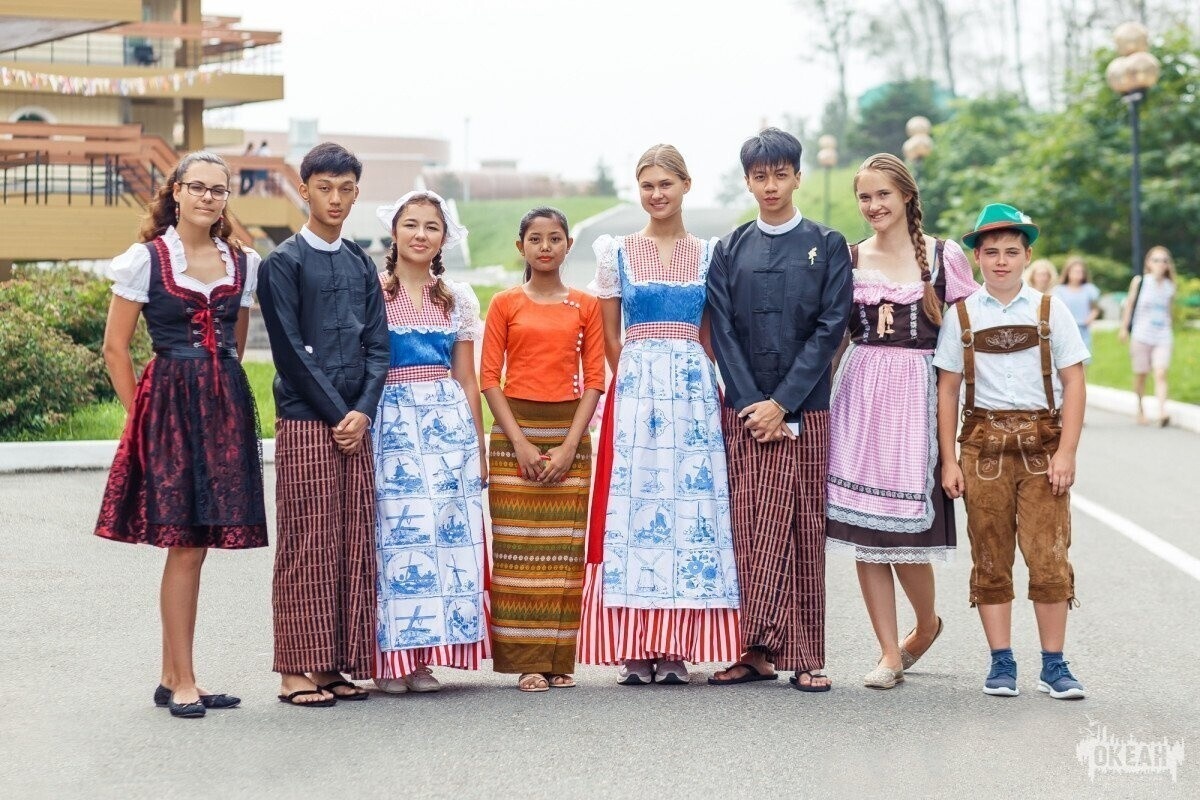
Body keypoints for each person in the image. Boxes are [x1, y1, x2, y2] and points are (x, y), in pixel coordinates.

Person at [95, 151, 267, 718]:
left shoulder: (243, 263)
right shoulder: (145, 260)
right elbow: (115, 349)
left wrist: (219, 401)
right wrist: (140, 415)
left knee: (195, 542)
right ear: (175, 191)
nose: (207, 197)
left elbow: (234, 346)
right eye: (197, 187)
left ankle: (173, 675)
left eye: (218, 190)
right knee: (186, 544)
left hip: (221, 410)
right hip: (168, 406)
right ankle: (185, 680)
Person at [578, 145, 740, 686]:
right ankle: (634, 645)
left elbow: (711, 337)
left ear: (686, 185)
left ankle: (676, 645)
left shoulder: (709, 253)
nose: (656, 194)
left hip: (692, 391)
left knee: (690, 508)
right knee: (636, 509)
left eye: (665, 184)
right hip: (639, 391)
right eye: (646, 184)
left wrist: (700, 386)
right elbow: (610, 338)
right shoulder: (617, 251)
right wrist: (639, 390)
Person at [705, 128, 853, 691]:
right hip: (744, 415)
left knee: (801, 527)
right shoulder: (729, 249)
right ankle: (752, 651)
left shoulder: (827, 243)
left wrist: (784, 403)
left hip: (806, 411)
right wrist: (752, 406)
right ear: (747, 181)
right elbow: (722, 331)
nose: (771, 186)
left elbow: (830, 328)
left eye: (780, 174)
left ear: (798, 176)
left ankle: (807, 654)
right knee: (746, 528)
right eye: (759, 176)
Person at [825, 154, 978, 689]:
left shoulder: (942, 257)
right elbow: (834, 338)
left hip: (917, 399)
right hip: (861, 399)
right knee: (867, 534)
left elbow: (970, 337)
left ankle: (927, 623)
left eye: (883, 195)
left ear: (907, 195)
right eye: (865, 197)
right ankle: (889, 652)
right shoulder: (847, 257)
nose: (873, 207)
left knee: (907, 537)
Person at [935, 203, 1089, 700]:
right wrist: (949, 459)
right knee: (990, 555)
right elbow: (948, 391)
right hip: (981, 447)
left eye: (1012, 252)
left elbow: (1074, 382)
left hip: (1043, 449)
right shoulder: (962, 315)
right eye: (992, 252)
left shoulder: (1050, 310)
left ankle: (1054, 664)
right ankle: (1001, 661)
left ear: (1027, 256)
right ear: (977, 257)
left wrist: (1067, 452)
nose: (1002, 261)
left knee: (1048, 555)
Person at [257, 142, 390, 707]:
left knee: (352, 542)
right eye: (324, 188)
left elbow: (379, 348)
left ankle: (334, 665)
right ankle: (295, 669)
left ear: (356, 193)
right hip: (308, 423)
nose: (335, 199)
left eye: (345, 189)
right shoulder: (282, 263)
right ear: (303, 189)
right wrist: (342, 414)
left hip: (356, 422)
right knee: (307, 544)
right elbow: (289, 352)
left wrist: (363, 411)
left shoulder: (361, 262)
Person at [481, 207, 605, 692]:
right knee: (516, 551)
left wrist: (571, 444)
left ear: (569, 245)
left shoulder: (585, 306)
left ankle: (557, 659)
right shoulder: (505, 303)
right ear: (521, 247)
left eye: (555, 238)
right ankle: (525, 661)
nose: (546, 246)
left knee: (562, 552)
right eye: (536, 238)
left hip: (570, 431)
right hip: (516, 433)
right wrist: (522, 444)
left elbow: (595, 379)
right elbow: (489, 378)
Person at [370, 190, 489, 694]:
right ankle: (388, 657)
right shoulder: (373, 292)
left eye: (432, 227)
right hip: (391, 415)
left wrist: (476, 443)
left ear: (444, 238)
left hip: (445, 425)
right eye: (411, 225)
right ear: (395, 232)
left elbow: (466, 377)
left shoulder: (457, 298)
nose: (421, 234)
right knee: (396, 534)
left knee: (440, 536)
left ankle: (423, 657)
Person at [1119, 246, 1177, 426]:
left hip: (1162, 334)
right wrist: (1123, 328)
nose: (1161, 264)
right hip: (1141, 334)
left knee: (1161, 372)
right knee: (1141, 374)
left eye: (1164, 260)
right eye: (1157, 260)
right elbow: (1129, 305)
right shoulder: (1140, 281)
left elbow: (1169, 310)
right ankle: (1140, 409)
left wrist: (1171, 328)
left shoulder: (1170, 286)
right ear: (1148, 263)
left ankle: (1162, 412)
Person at [1053, 256, 1101, 354]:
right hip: (1066, 330)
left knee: (1084, 358)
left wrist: (1090, 318)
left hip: (1083, 330)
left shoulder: (1089, 289)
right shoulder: (1059, 290)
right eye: (1075, 271)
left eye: (1080, 272)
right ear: (1068, 272)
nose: (1078, 275)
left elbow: (1095, 309)